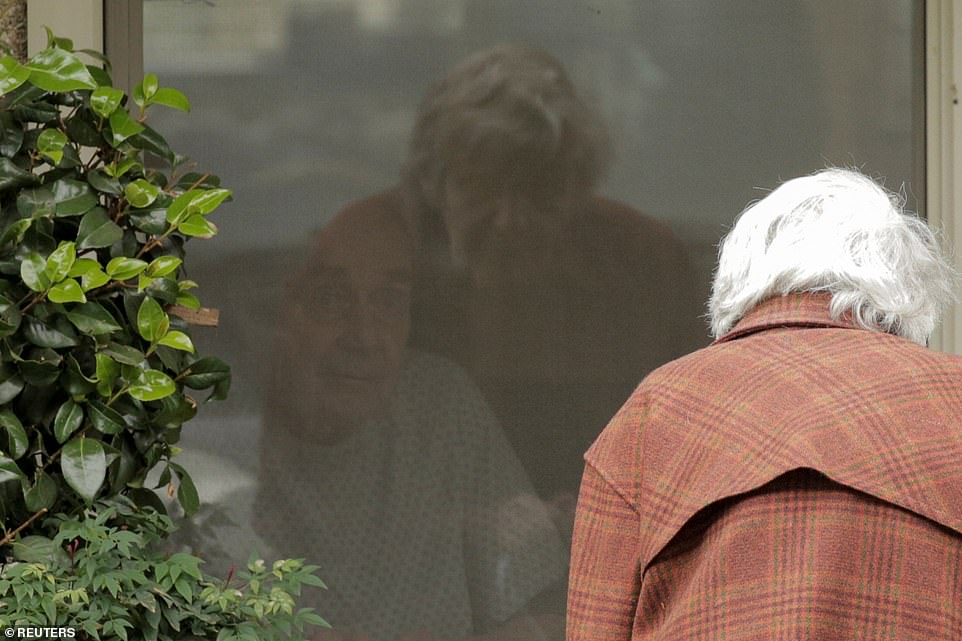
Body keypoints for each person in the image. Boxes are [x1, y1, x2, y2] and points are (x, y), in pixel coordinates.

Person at [567, 168, 962, 640]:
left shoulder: (655, 412)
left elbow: (597, 625)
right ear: (908, 296)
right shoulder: (952, 400)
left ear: (738, 283)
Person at [241, 194, 567, 641]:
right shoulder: (218, 430)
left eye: (388, 300)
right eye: (330, 297)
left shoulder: (440, 404)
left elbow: (544, 608)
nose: (365, 335)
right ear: (277, 312)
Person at [400, 44, 707, 517]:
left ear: (577, 188)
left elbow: (694, 440)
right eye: (482, 187)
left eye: (535, 190)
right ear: (436, 186)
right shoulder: (392, 274)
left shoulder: (643, 265)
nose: (508, 219)